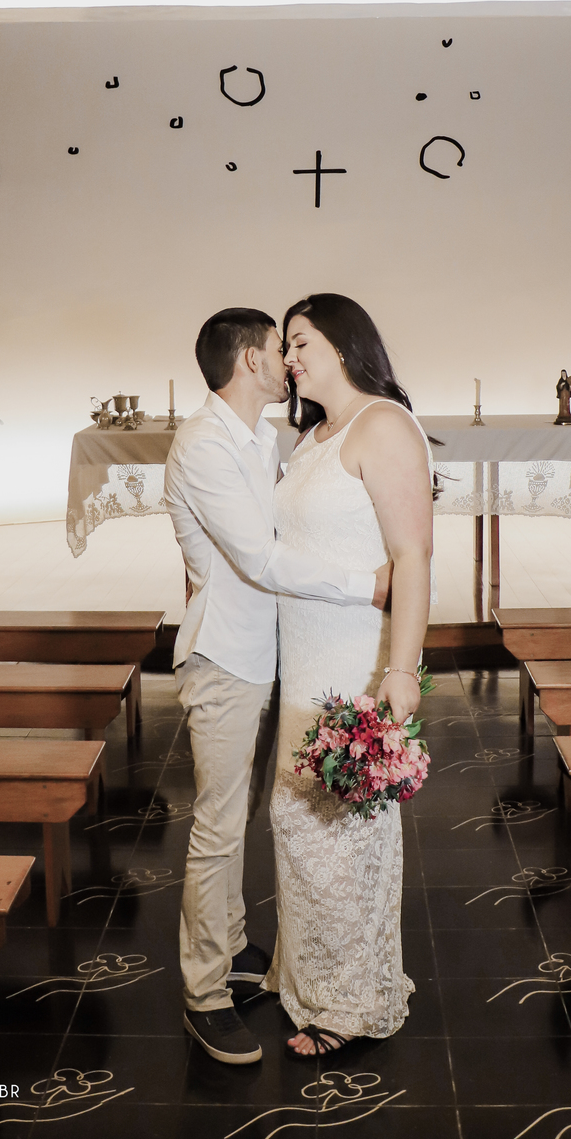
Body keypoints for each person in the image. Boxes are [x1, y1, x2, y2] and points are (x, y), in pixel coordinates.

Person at [164, 308, 390, 1066]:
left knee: (245, 812)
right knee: (219, 828)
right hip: (227, 656)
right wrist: (366, 585)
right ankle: (204, 993)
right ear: (248, 361)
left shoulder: (262, 437)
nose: (289, 361)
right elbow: (260, 560)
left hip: (274, 653)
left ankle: (231, 947)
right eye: (279, 348)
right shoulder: (205, 443)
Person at [263, 293, 433, 1059]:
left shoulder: (382, 425)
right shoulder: (313, 435)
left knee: (342, 828)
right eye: (286, 345)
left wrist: (401, 669)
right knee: (298, 820)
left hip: (351, 657)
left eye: (301, 341)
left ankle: (351, 998)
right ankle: (310, 973)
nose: (290, 357)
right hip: (304, 654)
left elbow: (413, 557)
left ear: (343, 343)